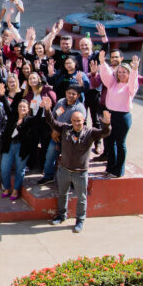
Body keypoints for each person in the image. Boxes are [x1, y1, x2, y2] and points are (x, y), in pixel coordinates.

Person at [44, 96, 112, 233]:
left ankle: (80, 220)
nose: (76, 123)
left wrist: (106, 124)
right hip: (64, 170)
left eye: (79, 121)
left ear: (83, 121)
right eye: (74, 121)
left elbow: (105, 133)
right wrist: (47, 109)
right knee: (63, 194)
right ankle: (61, 215)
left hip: (80, 172)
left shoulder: (90, 132)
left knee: (81, 198)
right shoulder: (65, 129)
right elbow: (51, 121)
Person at [97, 51, 140, 178]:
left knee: (120, 143)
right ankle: (110, 167)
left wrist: (134, 70)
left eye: (124, 72)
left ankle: (118, 170)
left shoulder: (130, 87)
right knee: (109, 142)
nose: (121, 74)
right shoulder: (112, 83)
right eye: (119, 72)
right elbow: (106, 75)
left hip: (122, 117)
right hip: (110, 115)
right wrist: (102, 62)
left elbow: (133, 82)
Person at [37, 84, 87, 185]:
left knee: (70, 161)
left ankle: (72, 181)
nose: (71, 95)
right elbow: (52, 117)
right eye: (69, 93)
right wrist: (53, 131)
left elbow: (78, 126)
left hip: (70, 139)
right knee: (50, 156)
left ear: (78, 96)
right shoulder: (60, 102)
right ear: (66, 93)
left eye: (74, 94)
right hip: (55, 137)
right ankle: (48, 176)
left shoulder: (80, 108)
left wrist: (59, 131)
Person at [0, 99, 36, 200]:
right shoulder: (13, 117)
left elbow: (38, 118)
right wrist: (3, 95)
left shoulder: (29, 120)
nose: (22, 108)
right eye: (20, 106)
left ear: (28, 109)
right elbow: (7, 108)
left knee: (20, 170)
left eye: (24, 107)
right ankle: (7, 188)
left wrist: (42, 108)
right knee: (4, 168)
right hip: (9, 146)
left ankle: (16, 190)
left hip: (22, 148)